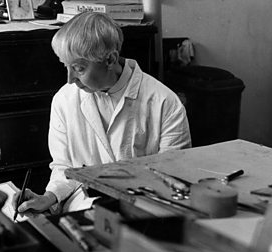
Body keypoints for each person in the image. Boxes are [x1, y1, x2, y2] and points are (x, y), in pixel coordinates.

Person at [13, 11, 191, 216]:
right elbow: (65, 167)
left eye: (78, 68)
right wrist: (49, 197)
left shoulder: (165, 103)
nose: (70, 79)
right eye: (65, 66)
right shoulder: (64, 99)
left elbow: (173, 179)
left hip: (145, 210)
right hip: (84, 208)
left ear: (110, 60)